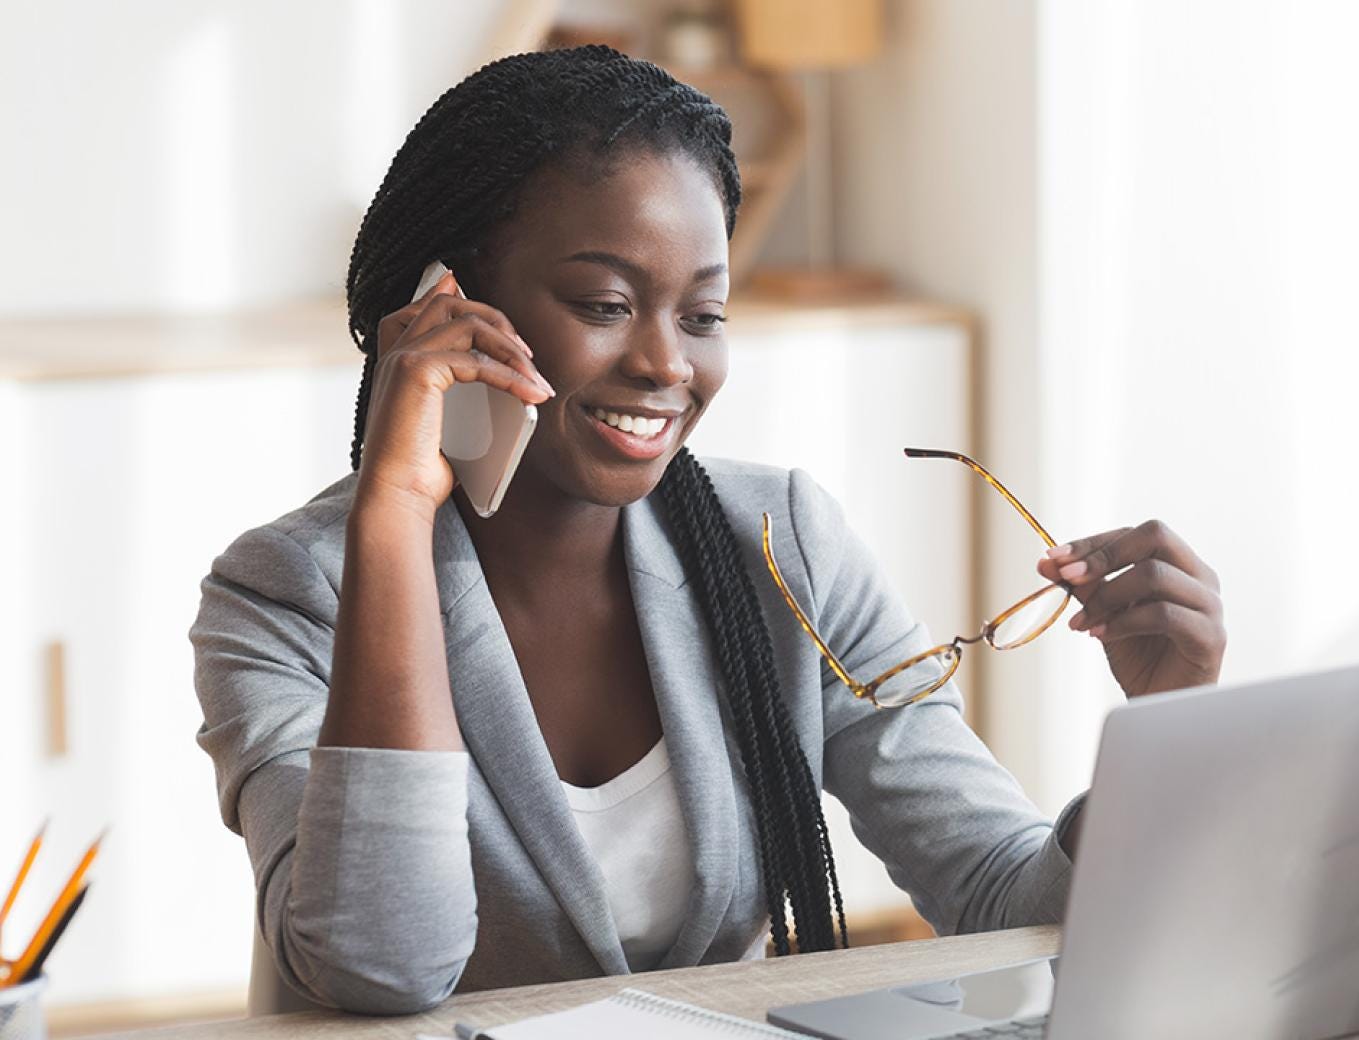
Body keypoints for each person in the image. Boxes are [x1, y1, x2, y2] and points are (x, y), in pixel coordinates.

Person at [190, 46, 1226, 1015]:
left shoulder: (780, 545)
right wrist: (396, 516)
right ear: (442, 307)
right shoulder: (287, 593)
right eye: (605, 301)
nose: (667, 365)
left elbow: (1008, 901)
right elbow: (381, 964)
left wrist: (1166, 733)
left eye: (703, 315)